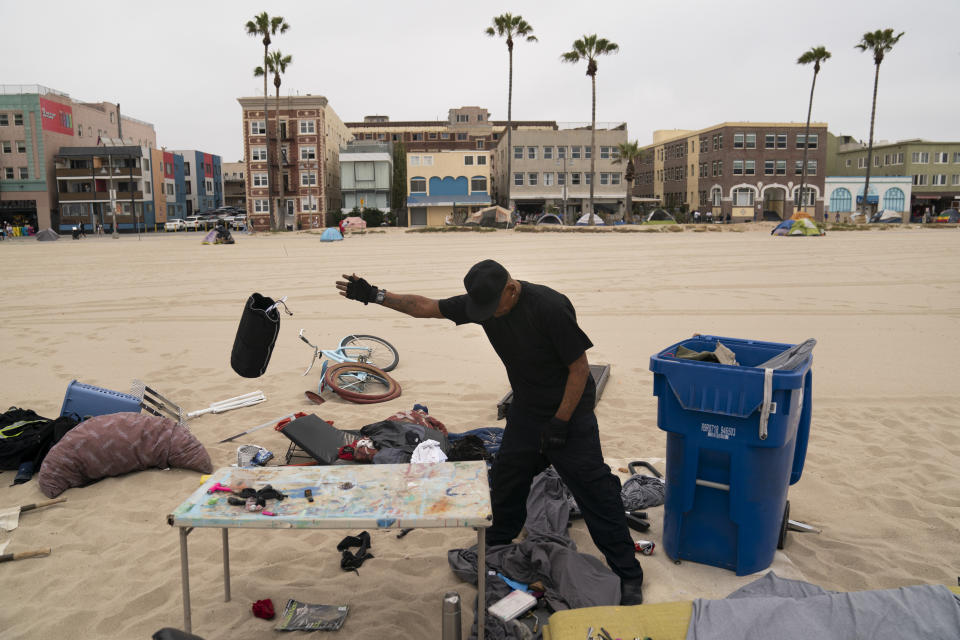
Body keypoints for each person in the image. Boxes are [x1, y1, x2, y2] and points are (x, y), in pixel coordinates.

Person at [335, 260, 645, 605]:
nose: (489, 315)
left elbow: (579, 369)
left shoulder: (549, 307)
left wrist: (560, 422)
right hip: (527, 411)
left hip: (569, 412)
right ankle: (498, 542)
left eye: (493, 308)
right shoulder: (485, 302)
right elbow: (424, 307)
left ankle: (628, 574)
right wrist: (375, 295)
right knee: (507, 479)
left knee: (595, 490)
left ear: (511, 288)